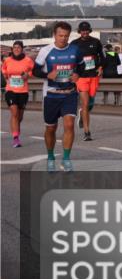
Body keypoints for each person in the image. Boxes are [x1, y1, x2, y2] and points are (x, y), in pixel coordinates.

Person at [32, 22, 83, 172]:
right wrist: (47, 75)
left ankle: (66, 159)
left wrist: (77, 74)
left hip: (69, 93)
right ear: (54, 35)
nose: (63, 38)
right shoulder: (45, 51)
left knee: (69, 124)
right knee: (51, 128)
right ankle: (50, 157)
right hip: (51, 94)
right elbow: (35, 71)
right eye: (60, 35)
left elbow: (81, 66)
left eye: (66, 36)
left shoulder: (75, 49)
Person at [71, 21, 104, 141]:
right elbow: (71, 59)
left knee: (90, 104)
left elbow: (102, 56)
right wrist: (73, 72)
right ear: (79, 31)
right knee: (85, 103)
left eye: (86, 30)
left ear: (89, 30)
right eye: (82, 30)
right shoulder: (74, 44)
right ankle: (87, 132)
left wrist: (100, 67)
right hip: (81, 77)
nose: (84, 32)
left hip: (93, 76)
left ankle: (82, 114)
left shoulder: (96, 42)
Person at [2, 41, 33, 148]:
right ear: (12, 49)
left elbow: (32, 71)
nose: (16, 49)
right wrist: (5, 76)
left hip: (23, 91)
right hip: (11, 90)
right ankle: (16, 138)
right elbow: (3, 69)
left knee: (19, 116)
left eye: (18, 47)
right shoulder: (7, 60)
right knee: (14, 113)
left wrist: (27, 75)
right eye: (14, 47)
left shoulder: (28, 60)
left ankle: (16, 131)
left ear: (22, 49)